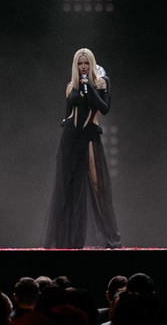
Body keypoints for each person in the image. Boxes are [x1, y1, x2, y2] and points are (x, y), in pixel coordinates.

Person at [46, 48, 121, 248]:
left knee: (98, 184)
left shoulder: (101, 82)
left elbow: (104, 109)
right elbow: (67, 115)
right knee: (67, 187)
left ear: (92, 64)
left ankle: (109, 236)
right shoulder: (70, 86)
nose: (83, 67)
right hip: (70, 136)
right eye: (80, 63)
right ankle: (67, 238)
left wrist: (91, 89)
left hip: (89, 135)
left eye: (86, 63)